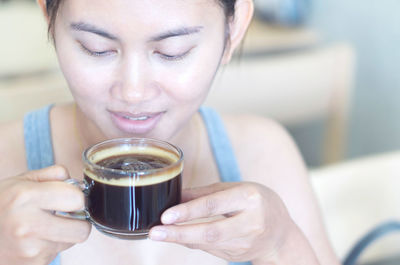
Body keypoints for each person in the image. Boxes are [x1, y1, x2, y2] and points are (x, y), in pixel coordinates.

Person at [0, 0, 341, 264]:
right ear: (49, 17)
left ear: (232, 31)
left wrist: (280, 245)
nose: (134, 92)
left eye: (172, 52)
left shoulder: (264, 153)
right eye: (96, 48)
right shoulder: (7, 157)